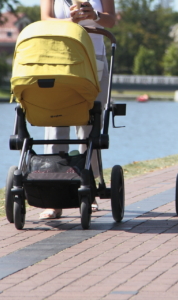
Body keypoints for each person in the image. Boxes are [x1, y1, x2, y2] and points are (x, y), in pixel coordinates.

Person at [39, 0, 116, 219]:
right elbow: (45, 19)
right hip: (59, 59)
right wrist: (69, 21)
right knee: (56, 122)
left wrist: (96, 15)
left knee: (89, 127)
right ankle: (54, 198)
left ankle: (88, 189)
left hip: (94, 61)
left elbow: (111, 19)